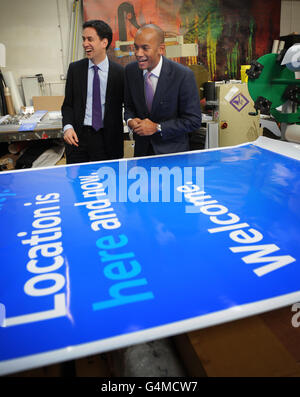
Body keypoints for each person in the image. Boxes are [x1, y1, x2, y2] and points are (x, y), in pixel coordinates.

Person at [124, 24, 202, 157]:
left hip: (173, 156)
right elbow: (129, 107)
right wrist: (130, 121)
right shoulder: (130, 71)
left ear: (161, 49)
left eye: (145, 48)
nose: (138, 53)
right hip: (143, 154)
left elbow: (193, 121)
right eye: (136, 47)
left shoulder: (182, 75)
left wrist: (157, 127)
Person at [62, 20, 124, 164]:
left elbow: (128, 105)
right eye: (84, 39)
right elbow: (68, 105)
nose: (85, 44)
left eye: (90, 39)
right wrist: (67, 127)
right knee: (78, 183)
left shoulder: (119, 73)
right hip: (77, 138)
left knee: (108, 183)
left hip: (107, 140)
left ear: (104, 42)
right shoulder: (75, 69)